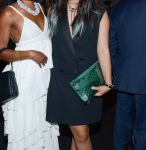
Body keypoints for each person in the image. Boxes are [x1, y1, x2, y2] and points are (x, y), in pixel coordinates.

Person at [46, 0, 112, 150]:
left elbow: (103, 49)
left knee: (80, 133)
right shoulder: (54, 11)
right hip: (62, 81)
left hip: (87, 80)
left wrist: (108, 82)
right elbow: (49, 44)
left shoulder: (98, 11)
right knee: (81, 133)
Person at [0, 0, 59, 149]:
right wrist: (29, 54)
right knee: (28, 123)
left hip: (45, 75)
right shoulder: (9, 12)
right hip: (26, 77)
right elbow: (0, 52)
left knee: (44, 122)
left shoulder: (40, 8)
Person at [109, 0, 146, 149]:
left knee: (122, 130)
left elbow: (112, 46)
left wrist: (118, 71)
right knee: (145, 132)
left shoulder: (118, 8)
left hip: (124, 80)